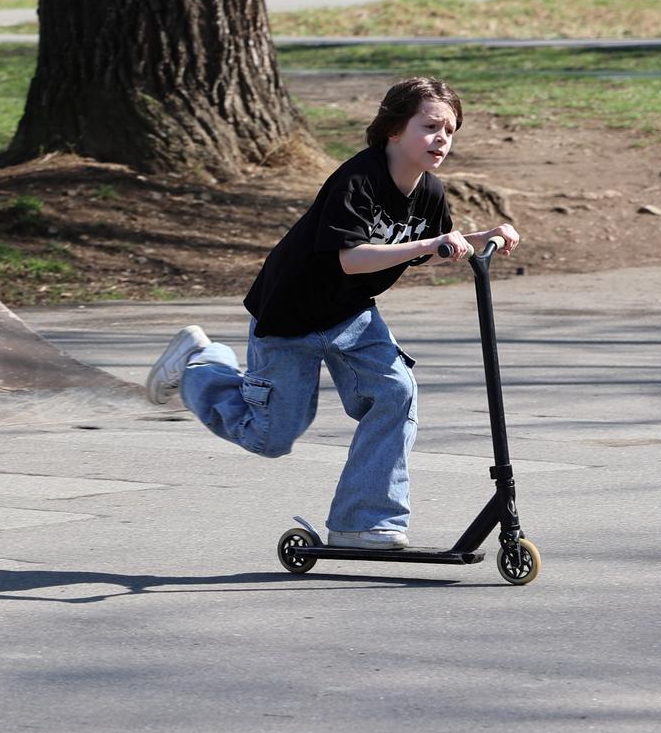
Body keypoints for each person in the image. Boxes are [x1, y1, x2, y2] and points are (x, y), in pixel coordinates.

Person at [145, 76, 520, 550]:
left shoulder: (430, 192)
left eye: (451, 130)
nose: (442, 138)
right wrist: (429, 243)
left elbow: (433, 247)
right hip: (290, 317)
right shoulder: (358, 178)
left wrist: (485, 236)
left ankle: (364, 521)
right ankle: (201, 363)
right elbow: (351, 257)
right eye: (430, 126)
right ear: (393, 130)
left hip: (351, 316)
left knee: (395, 392)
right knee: (270, 438)